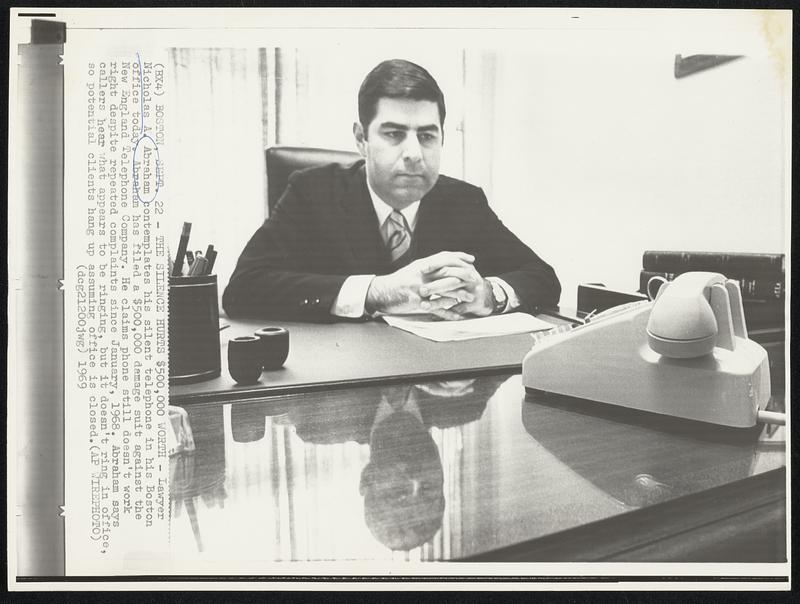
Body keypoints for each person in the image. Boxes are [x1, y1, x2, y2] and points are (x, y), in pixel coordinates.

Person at [223, 59, 560, 322]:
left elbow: (541, 277)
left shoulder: (464, 201)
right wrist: (378, 291)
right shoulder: (312, 193)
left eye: (427, 136)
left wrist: (488, 294)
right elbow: (242, 290)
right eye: (394, 134)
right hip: (340, 386)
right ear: (361, 139)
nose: (414, 153)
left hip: (435, 388)